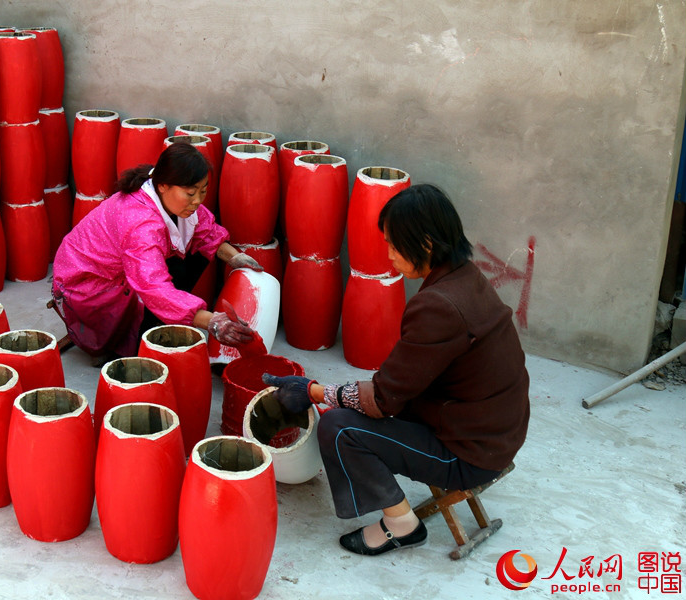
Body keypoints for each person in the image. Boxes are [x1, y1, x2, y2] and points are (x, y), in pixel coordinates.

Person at [263, 184, 529, 556]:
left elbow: (384, 398)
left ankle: (402, 525)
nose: (387, 255)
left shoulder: (439, 306)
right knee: (359, 403)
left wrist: (313, 391)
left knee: (339, 427)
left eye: (392, 244)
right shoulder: (466, 278)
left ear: (425, 244)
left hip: (471, 453)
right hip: (497, 432)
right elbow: (406, 378)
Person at [52, 142, 262, 363]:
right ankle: (133, 344)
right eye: (191, 193)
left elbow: (204, 230)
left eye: (203, 190)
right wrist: (211, 321)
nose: (198, 201)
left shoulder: (163, 195)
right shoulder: (141, 223)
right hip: (87, 289)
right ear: (162, 186)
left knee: (196, 254)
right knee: (168, 277)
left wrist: (235, 257)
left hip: (114, 273)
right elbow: (152, 285)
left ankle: (159, 322)